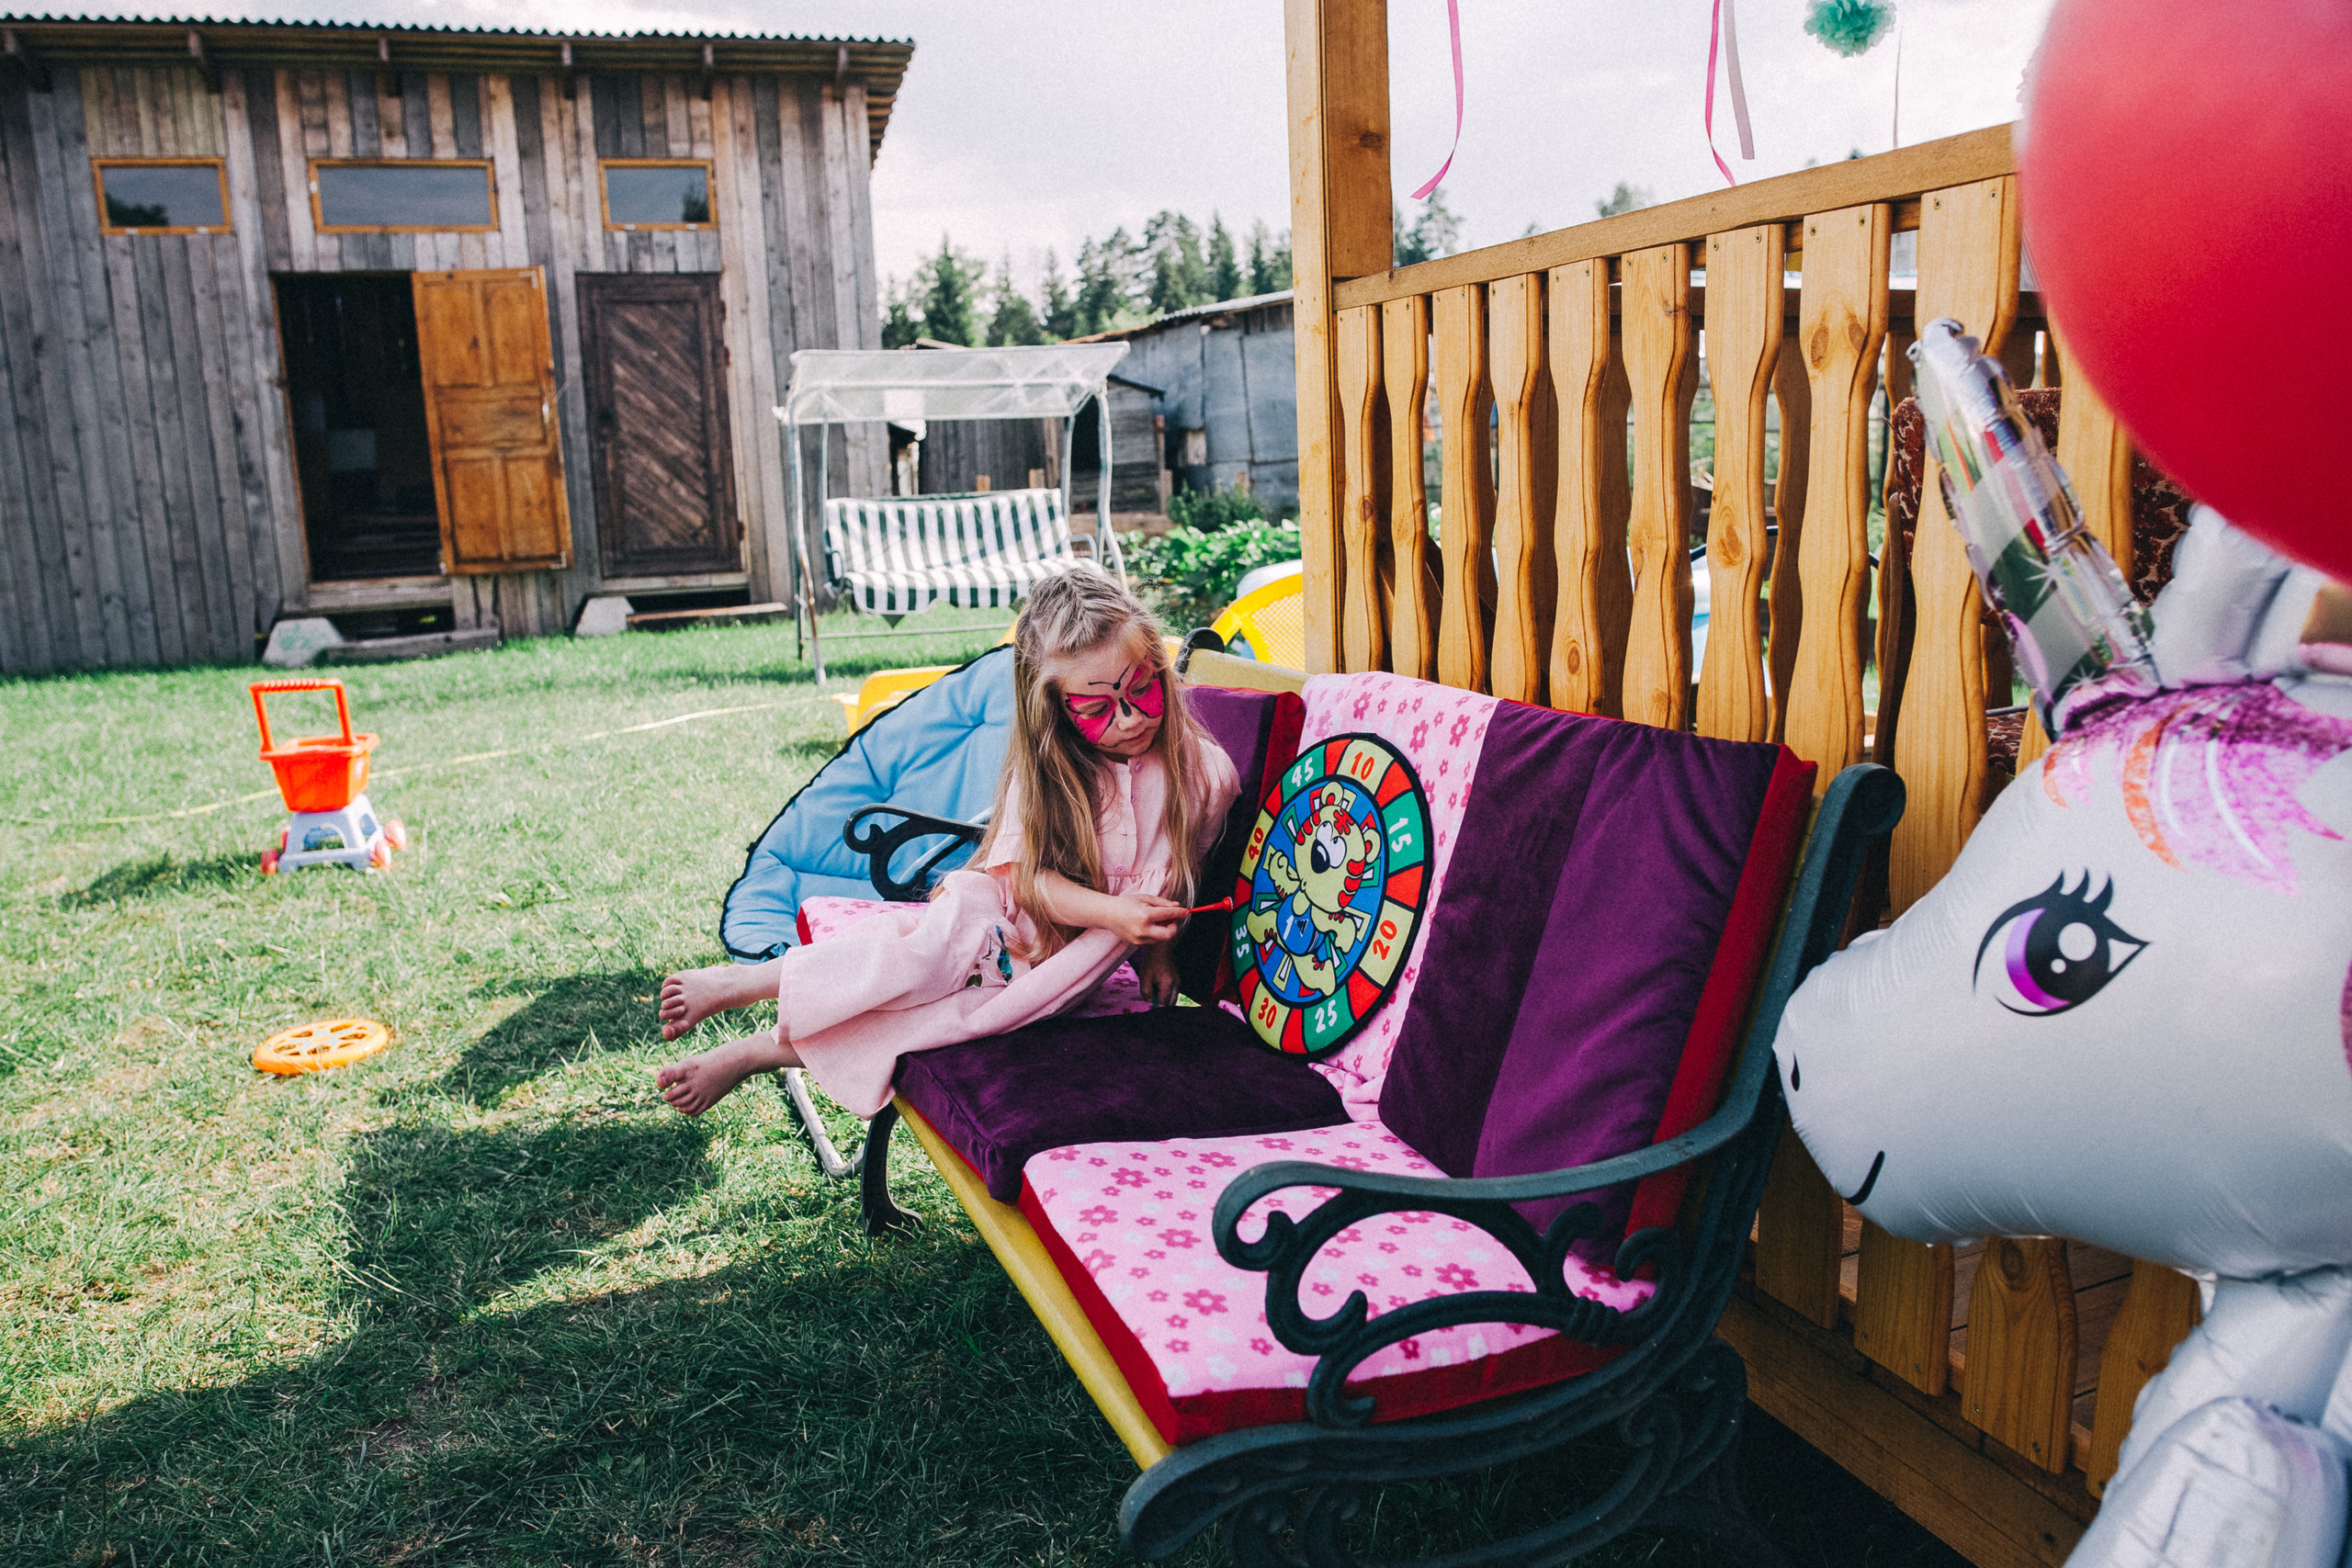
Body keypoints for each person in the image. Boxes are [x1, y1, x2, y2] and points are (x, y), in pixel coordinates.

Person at [651, 566, 1241, 1119]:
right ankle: (743, 982)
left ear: (1159, 669)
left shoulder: (1205, 777)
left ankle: (756, 1052)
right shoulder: (1051, 771)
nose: (1130, 718)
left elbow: (1181, 873)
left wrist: (1160, 952)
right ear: (1056, 710)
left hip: (1061, 969)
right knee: (913, 956)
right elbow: (1027, 881)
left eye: (1141, 690)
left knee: (941, 1020)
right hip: (998, 911)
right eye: (1096, 707)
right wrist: (1114, 912)